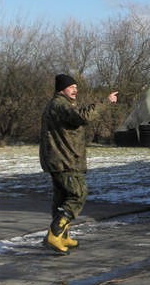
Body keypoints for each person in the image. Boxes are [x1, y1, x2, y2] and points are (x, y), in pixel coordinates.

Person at [40, 74, 118, 255]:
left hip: (61, 159)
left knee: (61, 199)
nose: (75, 89)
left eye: (76, 86)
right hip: (64, 161)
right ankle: (54, 234)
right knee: (78, 194)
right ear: (61, 89)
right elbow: (82, 117)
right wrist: (105, 102)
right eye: (71, 86)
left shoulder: (60, 104)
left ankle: (62, 236)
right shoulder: (59, 105)